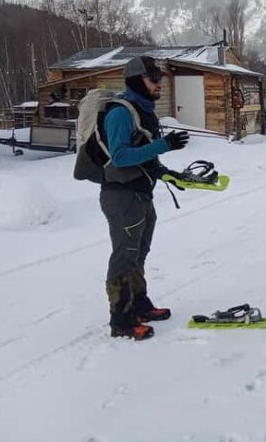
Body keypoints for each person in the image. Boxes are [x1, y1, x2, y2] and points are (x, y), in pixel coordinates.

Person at [101, 56, 189, 340]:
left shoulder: (143, 111)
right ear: (137, 81)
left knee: (139, 253)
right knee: (124, 256)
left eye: (160, 78)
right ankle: (121, 318)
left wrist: (167, 172)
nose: (159, 84)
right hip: (122, 197)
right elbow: (120, 156)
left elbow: (144, 157)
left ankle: (139, 303)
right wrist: (163, 145)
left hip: (140, 193)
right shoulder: (121, 113)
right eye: (154, 79)